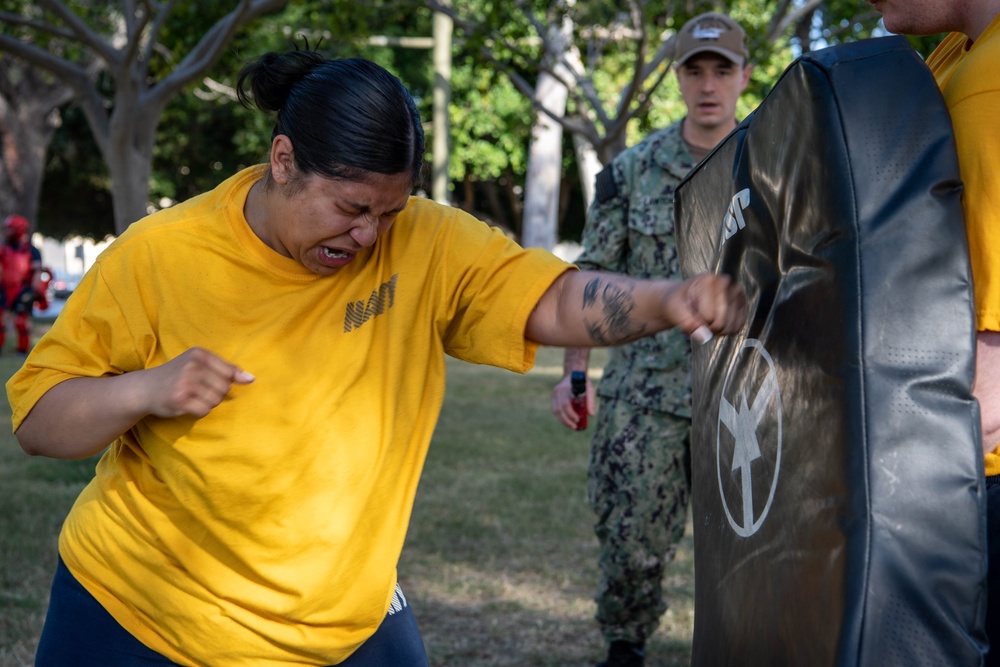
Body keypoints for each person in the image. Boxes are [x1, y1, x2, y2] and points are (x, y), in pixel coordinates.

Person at [7, 48, 746, 667]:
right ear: (283, 159)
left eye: (388, 213)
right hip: (139, 612)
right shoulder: (160, 257)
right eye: (351, 208)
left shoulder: (422, 240)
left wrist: (663, 300)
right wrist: (146, 389)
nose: (369, 235)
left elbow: (548, 300)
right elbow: (39, 419)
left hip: (341, 620)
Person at [550, 12, 752, 667]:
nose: (709, 84)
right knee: (631, 543)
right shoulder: (631, 172)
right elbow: (590, 278)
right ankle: (625, 649)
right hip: (646, 398)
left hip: (747, 396)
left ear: (745, 77)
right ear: (677, 77)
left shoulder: (774, 168)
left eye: (722, 69)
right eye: (695, 69)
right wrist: (575, 375)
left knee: (755, 551)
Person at [868, 0, 1000, 663]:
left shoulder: (990, 80)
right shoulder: (958, 53)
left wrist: (899, 482)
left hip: (973, 470)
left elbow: (996, 367)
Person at [0, 214, 44, 354]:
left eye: (9, 229)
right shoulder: (4, 249)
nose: (7, 232)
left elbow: (37, 272)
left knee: (21, 321)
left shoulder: (32, 251)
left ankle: (22, 350)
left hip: (23, 289)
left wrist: (33, 290)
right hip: (5, 289)